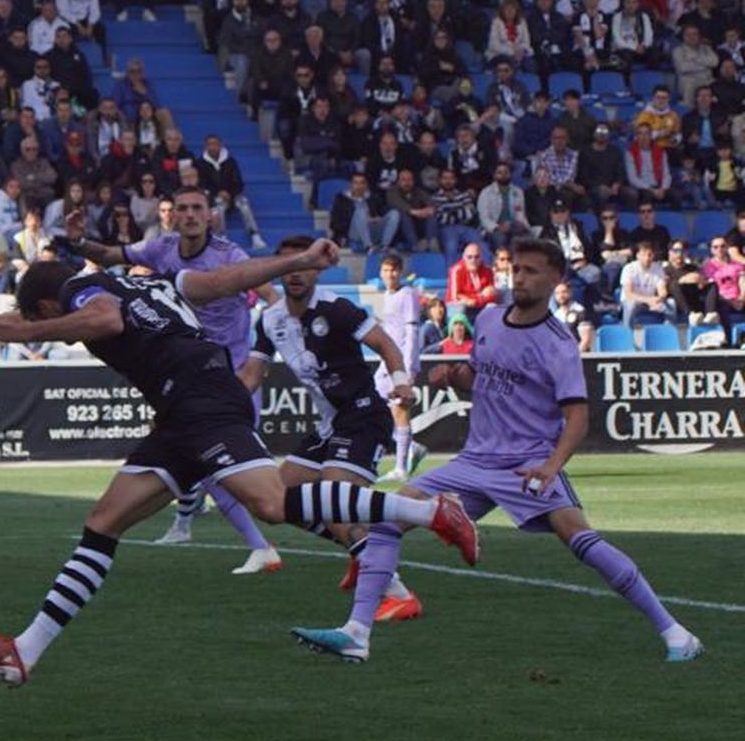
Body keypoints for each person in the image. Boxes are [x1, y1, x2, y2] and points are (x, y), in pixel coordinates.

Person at [0, 241, 477, 687]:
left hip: (198, 397)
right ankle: (24, 652)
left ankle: (431, 513)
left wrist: (30, 334)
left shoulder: (85, 295)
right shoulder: (151, 284)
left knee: (273, 503)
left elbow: (104, 320)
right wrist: (292, 261)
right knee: (103, 522)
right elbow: (221, 282)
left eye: (41, 315)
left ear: (48, 303)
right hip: (181, 408)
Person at [293, 238, 702, 664]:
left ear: (556, 279)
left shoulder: (557, 343)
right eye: (516, 269)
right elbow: (479, 374)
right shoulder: (488, 318)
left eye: (531, 271)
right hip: (473, 461)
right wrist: (455, 377)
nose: (519, 277)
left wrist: (550, 467)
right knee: (389, 518)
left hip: (526, 463)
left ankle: (675, 633)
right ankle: (358, 633)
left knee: (582, 541)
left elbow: (577, 418)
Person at [63, 186, 283, 573]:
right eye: (183, 208)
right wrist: (79, 241)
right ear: (173, 216)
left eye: (198, 207)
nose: (191, 214)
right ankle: (245, 540)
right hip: (187, 379)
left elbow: (272, 299)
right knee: (207, 466)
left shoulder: (229, 255)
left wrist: (262, 355)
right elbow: (110, 256)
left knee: (251, 485)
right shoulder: (160, 248)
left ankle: (346, 532)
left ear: (210, 215)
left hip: (230, 379)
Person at [241, 237, 425, 622]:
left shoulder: (336, 308)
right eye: (287, 265)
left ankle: (398, 592)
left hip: (362, 417)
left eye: (303, 264)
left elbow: (386, 343)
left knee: (335, 504)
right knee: (274, 501)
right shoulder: (270, 320)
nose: (294, 273)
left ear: (317, 269)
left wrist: (401, 381)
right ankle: (361, 548)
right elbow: (251, 376)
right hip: (329, 424)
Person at [376, 253, 427, 482]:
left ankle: (400, 467)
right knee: (381, 408)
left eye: (394, 270)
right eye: (386, 270)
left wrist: (406, 369)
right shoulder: (386, 295)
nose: (390, 274)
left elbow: (411, 332)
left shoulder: (408, 294)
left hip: (400, 363)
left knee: (400, 410)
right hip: (386, 362)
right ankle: (412, 447)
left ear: (401, 271)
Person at [618, 241, 672, 327]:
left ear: (653, 255)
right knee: (631, 304)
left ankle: (668, 331)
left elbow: (663, 291)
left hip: (651, 302)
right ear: (637, 255)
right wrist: (648, 300)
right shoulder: (629, 268)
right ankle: (627, 331)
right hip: (635, 302)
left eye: (649, 255)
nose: (647, 258)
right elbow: (629, 294)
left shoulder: (658, 268)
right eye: (643, 255)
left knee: (671, 303)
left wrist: (659, 299)